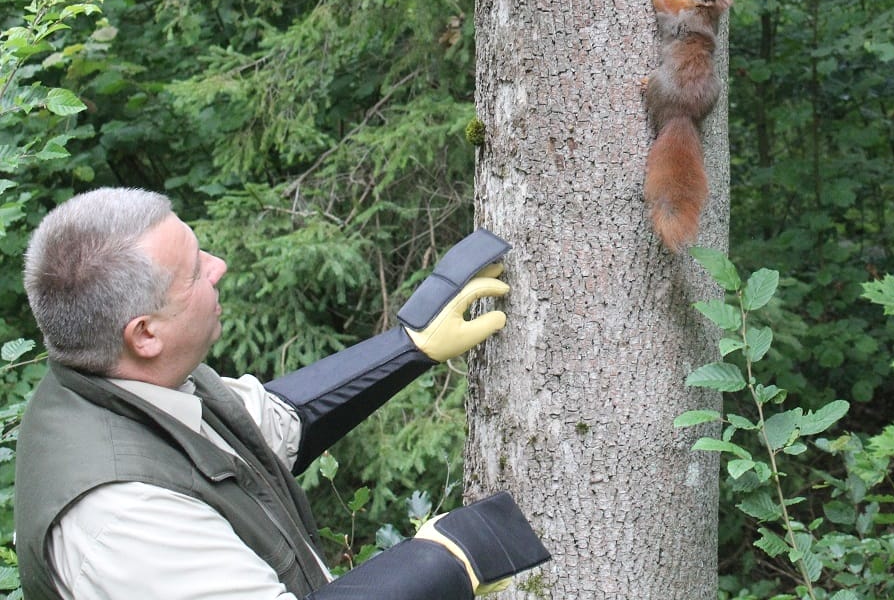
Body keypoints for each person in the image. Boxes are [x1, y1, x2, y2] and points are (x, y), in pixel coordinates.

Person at [14, 187, 549, 600]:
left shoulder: (135, 384)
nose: (218, 268)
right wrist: (447, 563)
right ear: (145, 334)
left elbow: (274, 425)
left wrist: (410, 347)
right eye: (196, 271)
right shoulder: (122, 516)